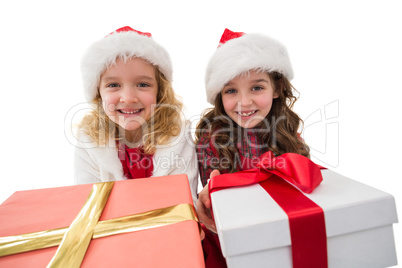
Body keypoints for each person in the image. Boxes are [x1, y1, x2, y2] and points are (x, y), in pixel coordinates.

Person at [195, 28, 310, 266]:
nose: (244, 102)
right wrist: (206, 202)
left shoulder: (288, 134)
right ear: (219, 94)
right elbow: (217, 203)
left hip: (280, 236)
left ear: (277, 89)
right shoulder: (212, 138)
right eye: (231, 90)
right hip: (228, 241)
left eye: (257, 88)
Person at [74, 26, 198, 204]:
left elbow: (185, 204)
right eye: (113, 85)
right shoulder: (89, 140)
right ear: (98, 93)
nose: (129, 98)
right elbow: (87, 207)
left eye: (142, 85)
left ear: (160, 91)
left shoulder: (177, 136)